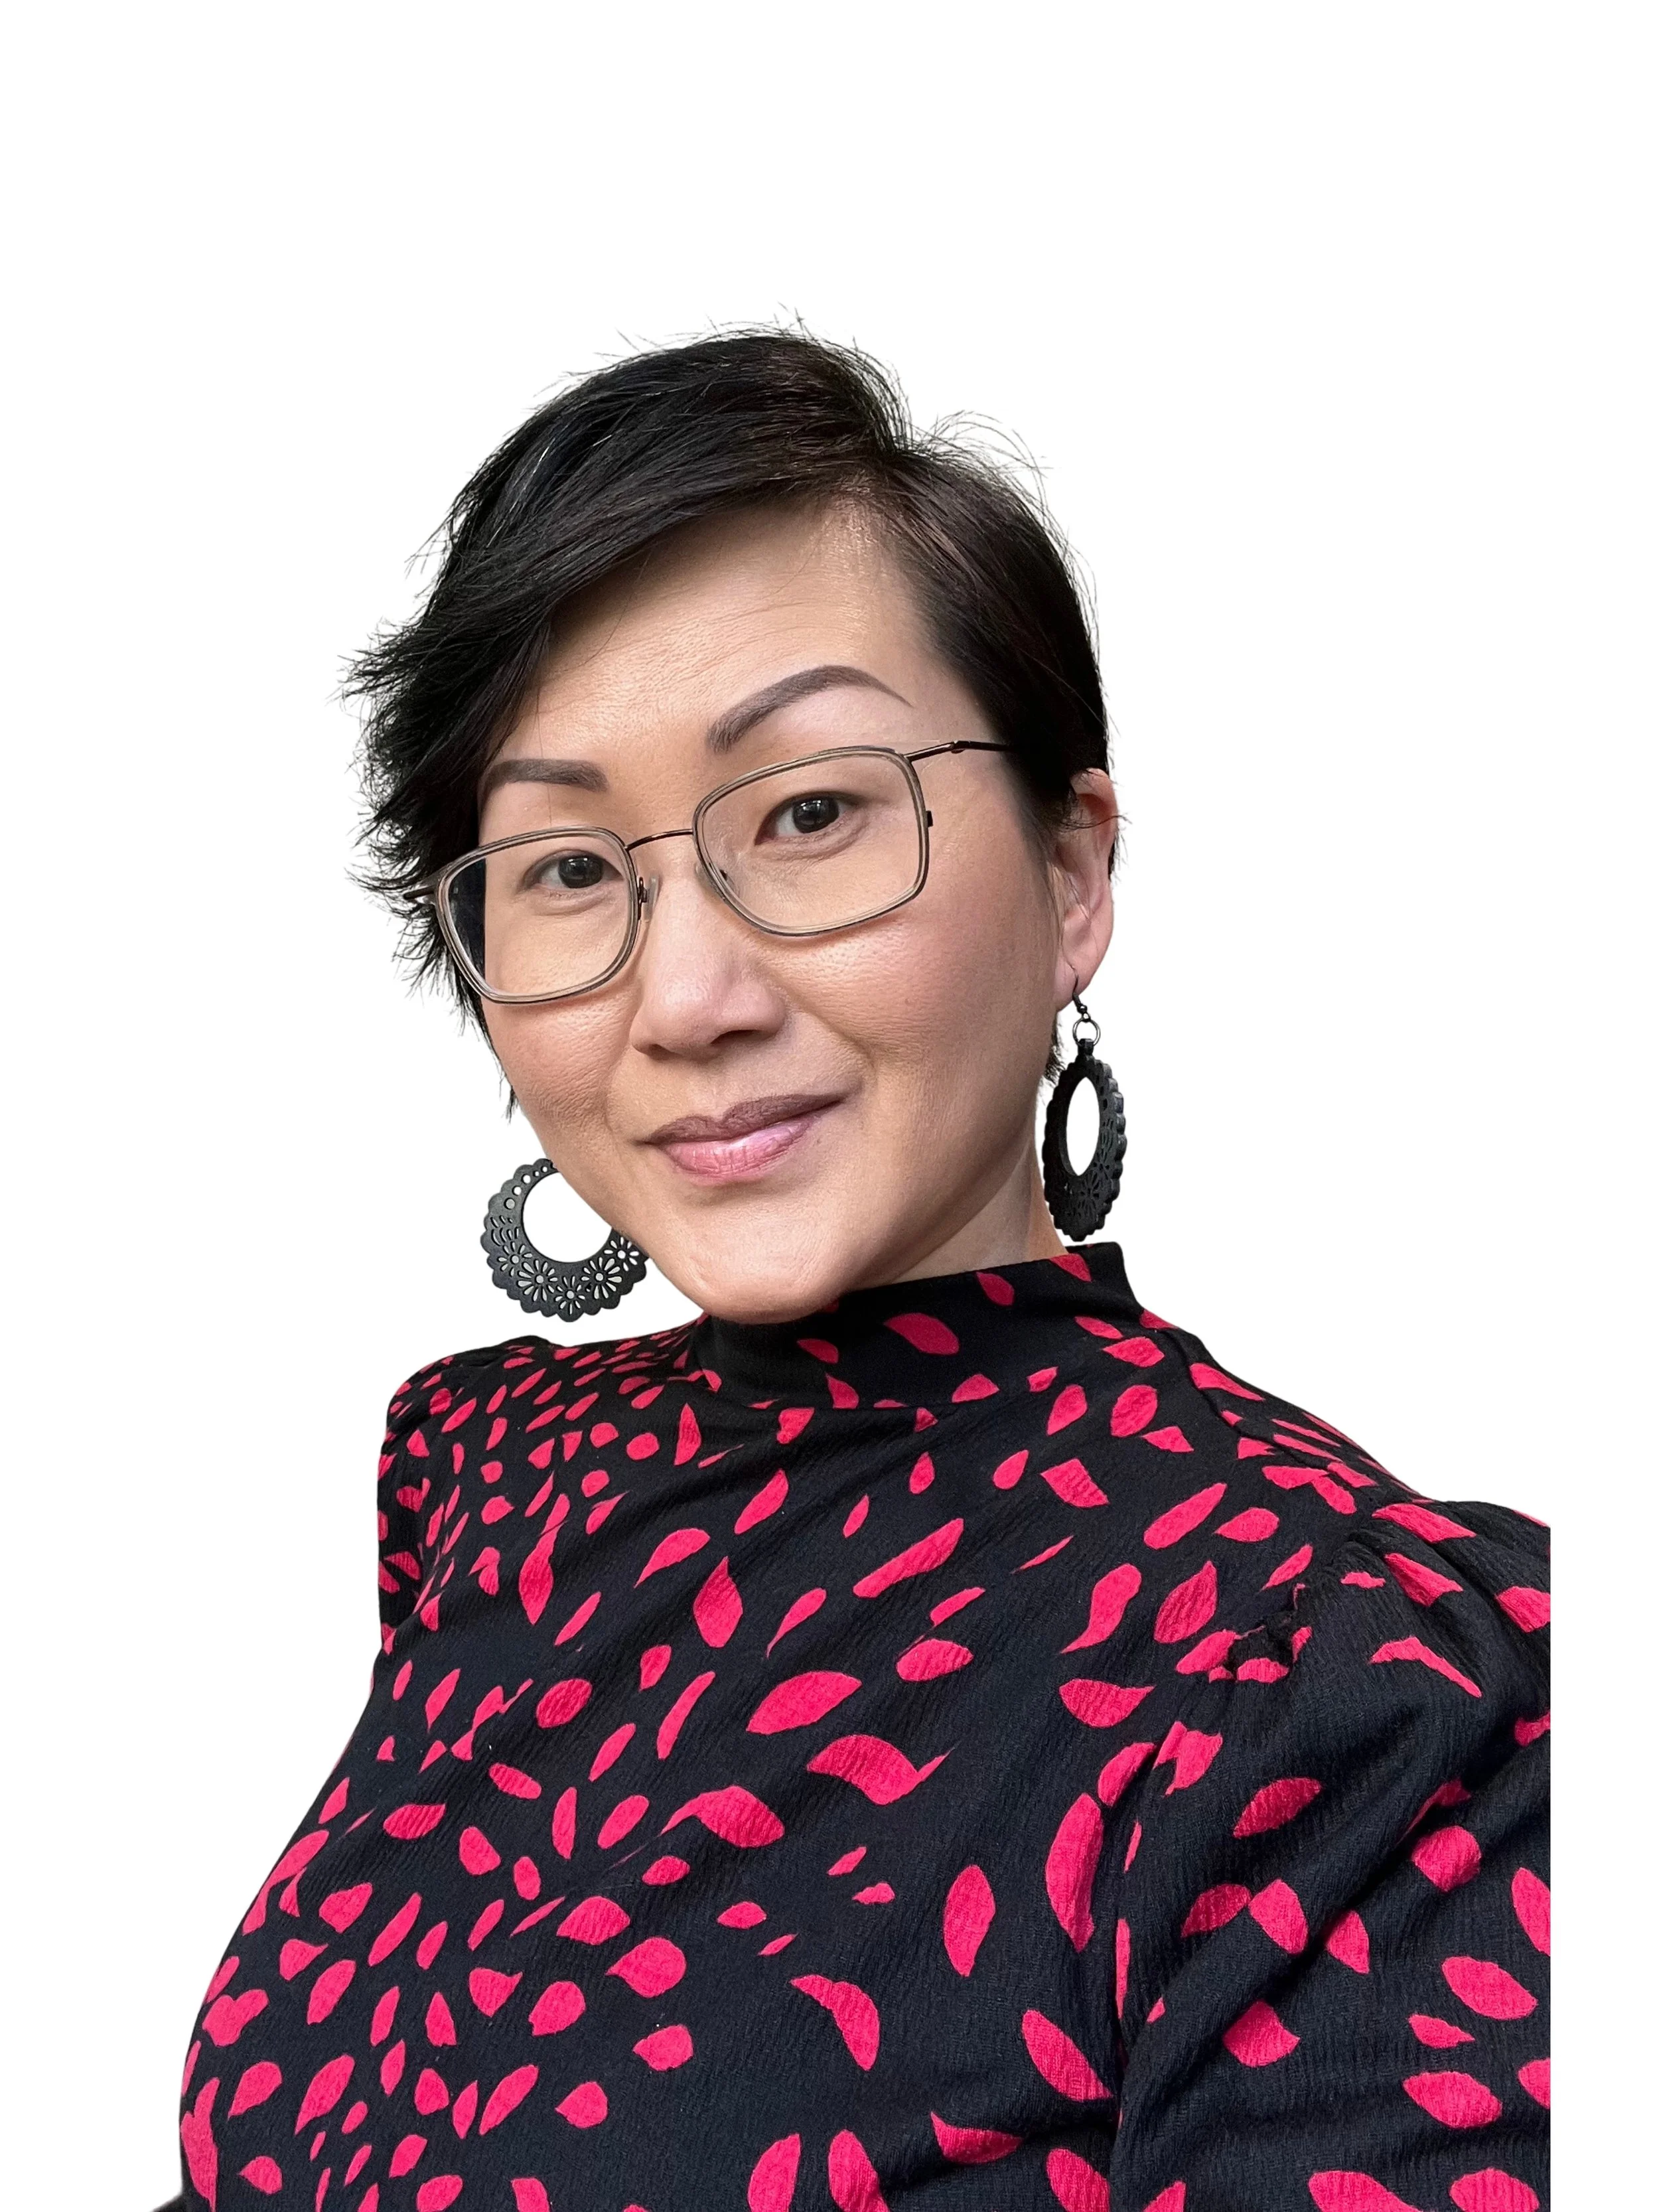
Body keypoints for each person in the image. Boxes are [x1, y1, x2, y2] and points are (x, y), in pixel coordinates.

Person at [164, 334, 1550, 2212]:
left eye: (811, 814)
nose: (686, 999)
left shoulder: (1376, 1675)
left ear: (1073, 872)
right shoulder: (491, 1477)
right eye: (564, 868)